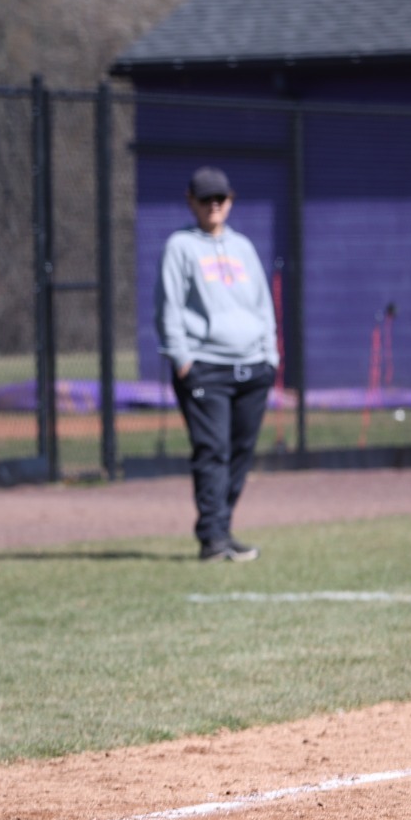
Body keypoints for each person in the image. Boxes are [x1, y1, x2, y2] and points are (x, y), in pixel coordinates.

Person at [155, 166, 279, 562]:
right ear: (190, 201)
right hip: (206, 366)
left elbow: (263, 305)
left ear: (230, 201)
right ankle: (212, 540)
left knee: (241, 451)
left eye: (220, 199)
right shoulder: (181, 246)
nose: (213, 206)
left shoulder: (242, 246)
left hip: (253, 367)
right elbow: (168, 306)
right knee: (213, 451)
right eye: (206, 199)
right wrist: (182, 359)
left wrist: (270, 356)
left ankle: (221, 529)